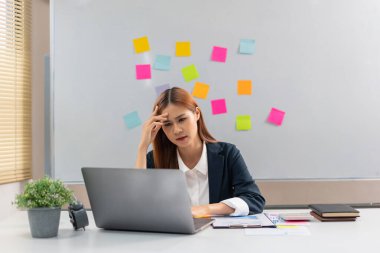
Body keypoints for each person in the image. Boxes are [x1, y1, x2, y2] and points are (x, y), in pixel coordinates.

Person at [135, 87, 265, 217]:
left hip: (220, 236)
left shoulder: (227, 154)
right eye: (168, 124)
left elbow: (254, 200)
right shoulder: (155, 159)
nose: (177, 130)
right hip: (174, 236)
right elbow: (138, 206)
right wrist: (143, 146)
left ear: (196, 114)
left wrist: (205, 209)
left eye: (182, 119)